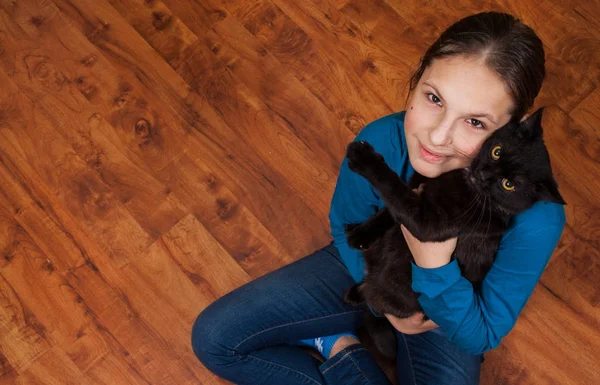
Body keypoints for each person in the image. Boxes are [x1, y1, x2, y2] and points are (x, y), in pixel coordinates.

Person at [191, 11, 565, 385]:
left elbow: (481, 332)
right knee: (215, 339)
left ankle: (340, 351)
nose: (437, 137)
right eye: (434, 98)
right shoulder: (384, 140)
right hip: (375, 269)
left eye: (475, 122)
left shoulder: (536, 218)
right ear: (417, 79)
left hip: (446, 314)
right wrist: (380, 303)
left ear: (514, 129)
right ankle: (343, 341)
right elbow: (346, 227)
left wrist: (434, 268)